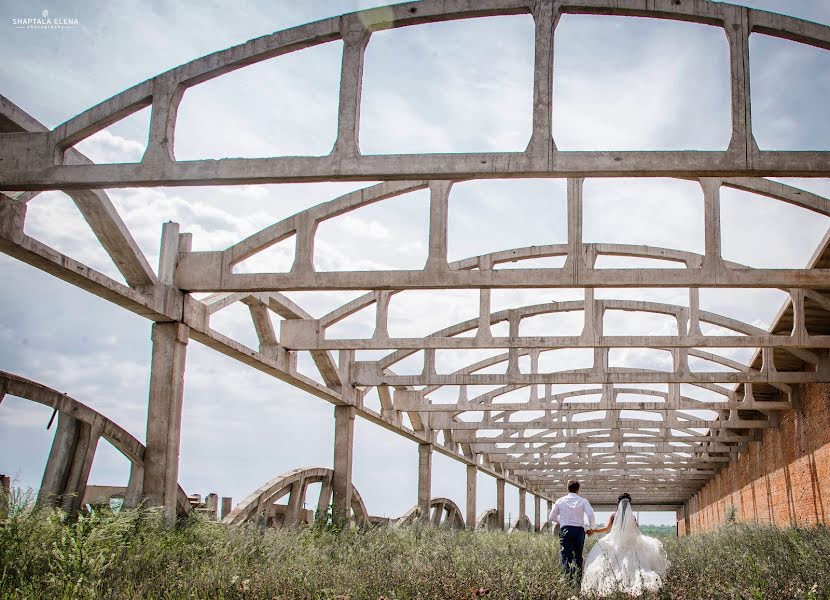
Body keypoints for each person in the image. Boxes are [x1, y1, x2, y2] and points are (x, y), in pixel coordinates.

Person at [581, 493, 668, 596]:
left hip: (615, 542)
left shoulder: (614, 516)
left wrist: (594, 530)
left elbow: (607, 529)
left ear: (618, 503)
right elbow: (636, 530)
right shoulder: (632, 517)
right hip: (630, 543)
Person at [547, 480, 596, 583]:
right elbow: (591, 514)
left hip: (565, 530)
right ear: (578, 489)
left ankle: (569, 581)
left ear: (567, 488)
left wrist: (563, 521)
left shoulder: (560, 501)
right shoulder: (583, 501)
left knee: (566, 556)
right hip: (579, 531)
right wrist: (591, 528)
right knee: (578, 556)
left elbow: (551, 516)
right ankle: (578, 581)